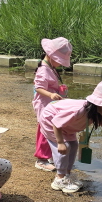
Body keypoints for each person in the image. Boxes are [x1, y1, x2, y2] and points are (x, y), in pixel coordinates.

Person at [39, 80, 102, 194]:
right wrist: (60, 142)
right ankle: (59, 179)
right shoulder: (79, 111)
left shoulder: (96, 113)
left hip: (66, 126)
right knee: (65, 147)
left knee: (73, 145)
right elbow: (56, 123)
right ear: (101, 104)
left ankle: (67, 175)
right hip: (50, 120)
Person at [33, 37, 72, 172]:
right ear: (51, 56)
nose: (60, 64)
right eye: (59, 61)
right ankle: (41, 159)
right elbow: (38, 87)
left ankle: (49, 155)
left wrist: (59, 90)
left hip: (51, 105)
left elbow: (49, 84)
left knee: (53, 129)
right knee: (45, 130)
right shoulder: (43, 69)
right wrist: (50, 94)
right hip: (44, 104)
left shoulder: (50, 67)